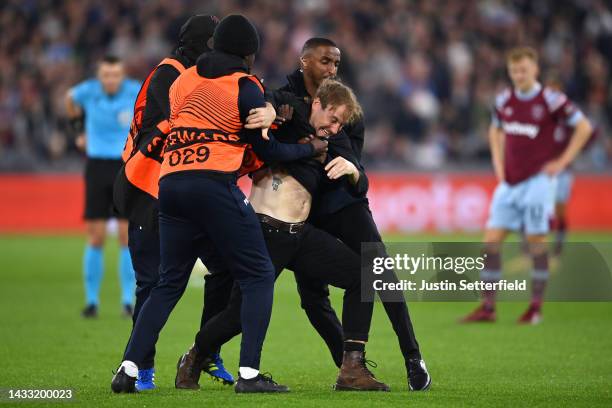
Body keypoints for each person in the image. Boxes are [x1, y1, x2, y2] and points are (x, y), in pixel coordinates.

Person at [111, 14, 327, 394]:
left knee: (168, 282)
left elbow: (184, 126)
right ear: (248, 54)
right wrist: (307, 147)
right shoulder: (245, 85)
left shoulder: (184, 81)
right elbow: (264, 148)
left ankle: (128, 369)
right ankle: (249, 374)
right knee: (258, 274)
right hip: (212, 184)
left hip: (171, 185)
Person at [176, 79, 390, 392]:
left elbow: (361, 182)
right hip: (263, 231)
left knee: (363, 275)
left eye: (341, 123)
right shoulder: (289, 115)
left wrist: (354, 172)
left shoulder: (335, 140)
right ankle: (195, 355)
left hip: (300, 235)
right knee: (237, 315)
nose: (334, 127)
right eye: (332, 118)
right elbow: (269, 95)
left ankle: (352, 368)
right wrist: (269, 109)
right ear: (317, 103)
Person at [114, 14, 264, 390]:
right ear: (206, 45)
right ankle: (140, 369)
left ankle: (204, 351)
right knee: (154, 281)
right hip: (151, 189)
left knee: (220, 270)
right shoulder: (173, 75)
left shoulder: (192, 75)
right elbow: (172, 127)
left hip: (173, 189)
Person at [278, 37, 431, 390]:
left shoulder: (346, 110)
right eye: (325, 61)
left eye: (336, 63)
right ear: (304, 61)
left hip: (344, 205)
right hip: (304, 211)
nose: (332, 69)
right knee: (312, 298)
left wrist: (353, 172)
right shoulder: (283, 98)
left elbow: (358, 176)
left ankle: (412, 356)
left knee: (379, 269)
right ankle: (347, 363)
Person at [462, 46, 592, 324]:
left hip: (538, 182)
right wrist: (497, 163)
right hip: (509, 183)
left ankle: (535, 308)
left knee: (536, 243)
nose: (519, 75)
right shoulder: (505, 99)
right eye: (514, 71)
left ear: (535, 70)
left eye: (523, 70)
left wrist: (562, 161)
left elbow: (584, 128)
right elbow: (495, 128)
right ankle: (488, 307)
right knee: (491, 243)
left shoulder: (550, 99)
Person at [65, 55, 140, 319]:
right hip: (96, 167)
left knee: (125, 236)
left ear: (122, 75)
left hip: (123, 168)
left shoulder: (134, 90)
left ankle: (127, 301)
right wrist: (78, 130)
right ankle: (92, 301)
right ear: (100, 76)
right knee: (95, 236)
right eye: (106, 75)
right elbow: (69, 99)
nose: (110, 80)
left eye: (115, 75)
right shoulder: (89, 91)